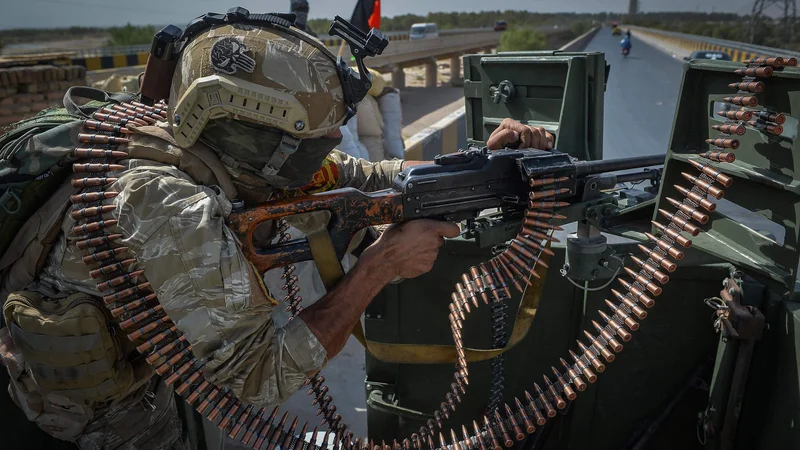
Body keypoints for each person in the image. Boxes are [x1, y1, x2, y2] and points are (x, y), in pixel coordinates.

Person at [0, 10, 554, 450]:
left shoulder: (218, 149)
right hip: (106, 408)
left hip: (158, 350)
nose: (333, 147)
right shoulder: (165, 203)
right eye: (311, 142)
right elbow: (259, 374)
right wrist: (381, 265)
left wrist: (472, 164)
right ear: (252, 140)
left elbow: (368, 175)